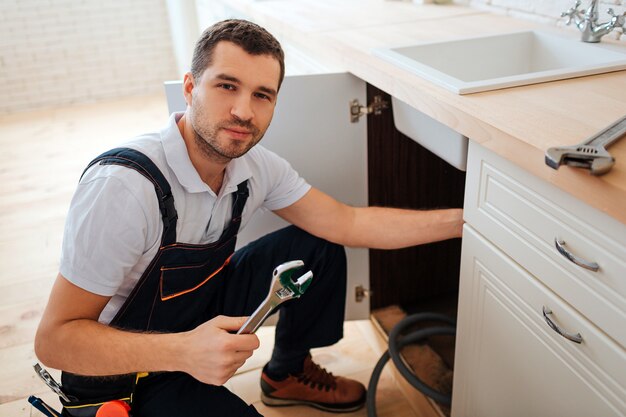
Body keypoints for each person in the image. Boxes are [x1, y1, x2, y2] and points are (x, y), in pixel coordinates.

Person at [34, 19, 463, 417]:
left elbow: (349, 223)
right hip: (121, 374)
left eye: (262, 94)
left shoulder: (255, 169)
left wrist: (469, 221)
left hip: (198, 313)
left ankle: (286, 374)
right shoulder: (125, 187)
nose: (244, 111)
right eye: (227, 86)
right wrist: (184, 352)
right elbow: (56, 340)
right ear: (189, 87)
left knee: (318, 247)